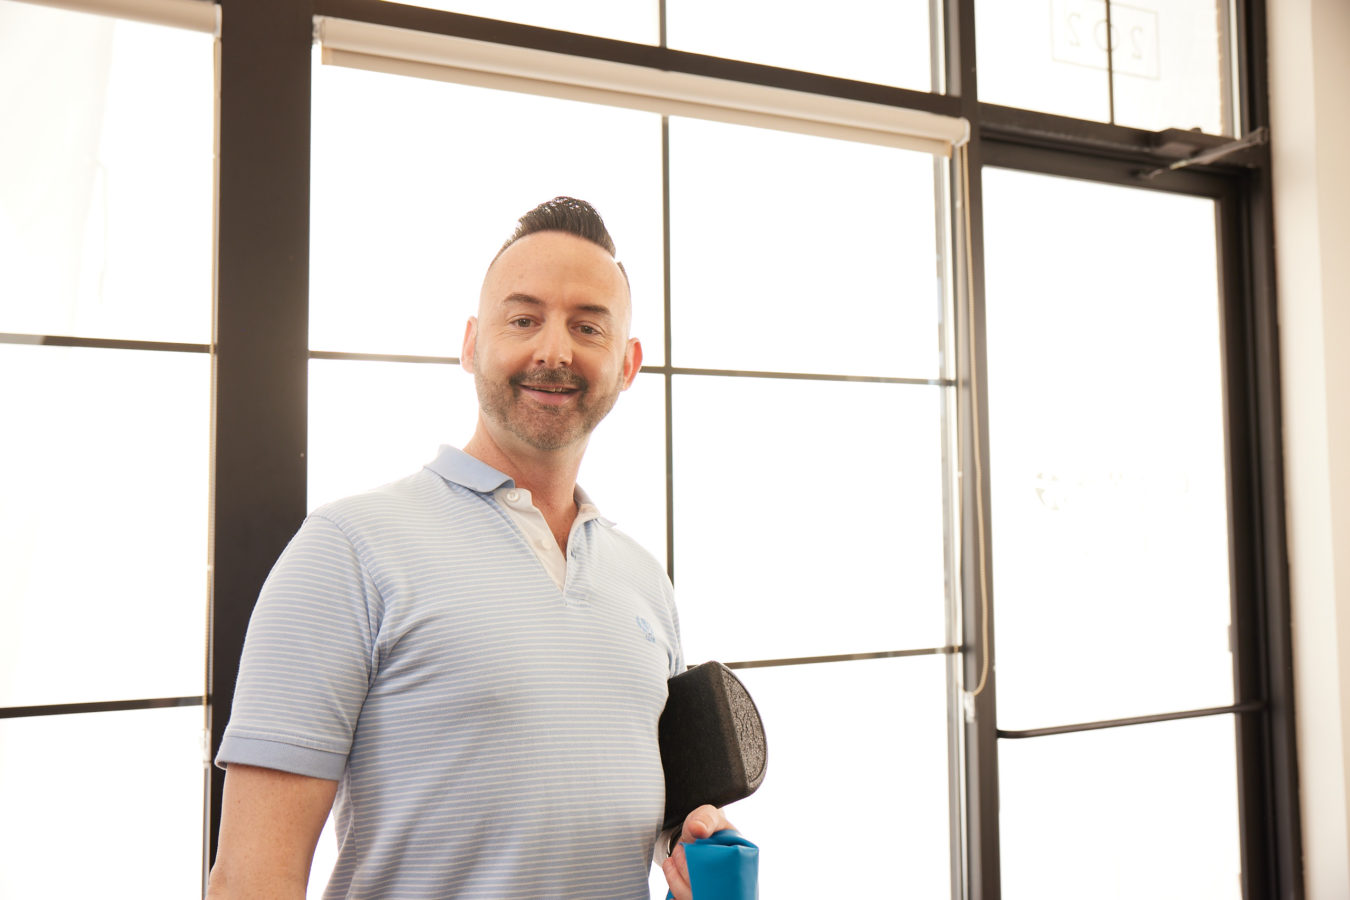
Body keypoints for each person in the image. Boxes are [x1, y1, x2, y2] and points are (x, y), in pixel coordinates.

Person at [206, 197, 732, 899]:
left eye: (587, 326)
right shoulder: (348, 549)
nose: (553, 350)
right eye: (523, 319)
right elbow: (251, 878)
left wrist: (684, 835)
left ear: (627, 363)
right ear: (470, 344)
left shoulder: (643, 581)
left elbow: (617, 807)